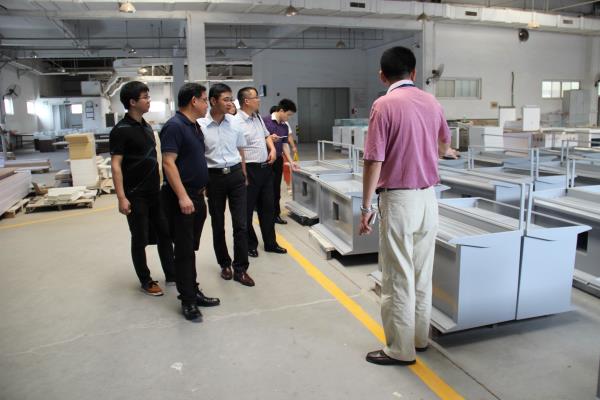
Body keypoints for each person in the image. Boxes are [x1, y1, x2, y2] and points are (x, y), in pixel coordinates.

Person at [359, 47, 458, 365]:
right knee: (421, 273)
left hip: (399, 200)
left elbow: (373, 160)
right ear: (414, 73)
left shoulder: (383, 105)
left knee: (397, 275)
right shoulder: (432, 102)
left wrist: (365, 208)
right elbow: (444, 146)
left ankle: (399, 350)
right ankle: (419, 339)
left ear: (382, 76)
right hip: (429, 198)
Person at [160, 83, 221, 322]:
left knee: (190, 247)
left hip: (196, 195)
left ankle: (192, 290)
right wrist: (183, 196)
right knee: (184, 251)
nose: (207, 104)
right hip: (182, 198)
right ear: (193, 101)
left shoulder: (194, 126)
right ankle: (188, 301)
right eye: (205, 100)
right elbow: (168, 162)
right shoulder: (174, 126)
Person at [109, 81, 175, 297]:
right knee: (140, 238)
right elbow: (116, 165)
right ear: (132, 102)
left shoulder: (146, 126)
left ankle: (171, 273)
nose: (149, 100)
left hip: (154, 192)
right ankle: (145, 280)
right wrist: (121, 197)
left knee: (164, 234)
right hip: (135, 194)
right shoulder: (121, 130)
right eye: (145, 97)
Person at [199, 83, 254, 287]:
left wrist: (244, 174)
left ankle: (241, 269)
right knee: (218, 224)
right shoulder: (200, 125)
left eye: (231, 99)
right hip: (213, 178)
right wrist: (203, 182)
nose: (230, 103)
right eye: (226, 99)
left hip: (235, 175)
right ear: (213, 101)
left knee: (241, 224)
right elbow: (199, 156)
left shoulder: (235, 123)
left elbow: (240, 150)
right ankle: (224, 264)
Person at [235, 87, 287, 258]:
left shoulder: (257, 117)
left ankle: (271, 243)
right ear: (246, 101)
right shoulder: (236, 121)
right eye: (256, 97)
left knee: (268, 208)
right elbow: (237, 147)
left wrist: (272, 149)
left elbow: (266, 136)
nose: (259, 100)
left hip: (265, 168)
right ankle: (250, 244)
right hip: (249, 170)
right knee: (247, 210)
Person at [263, 99, 298, 224]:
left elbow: (284, 145)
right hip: (265, 161)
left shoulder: (284, 126)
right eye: (288, 115)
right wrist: (268, 139)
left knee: (276, 188)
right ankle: (265, 214)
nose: (288, 118)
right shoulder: (265, 121)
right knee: (265, 189)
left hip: (278, 160)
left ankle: (275, 215)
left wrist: (290, 161)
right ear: (281, 110)